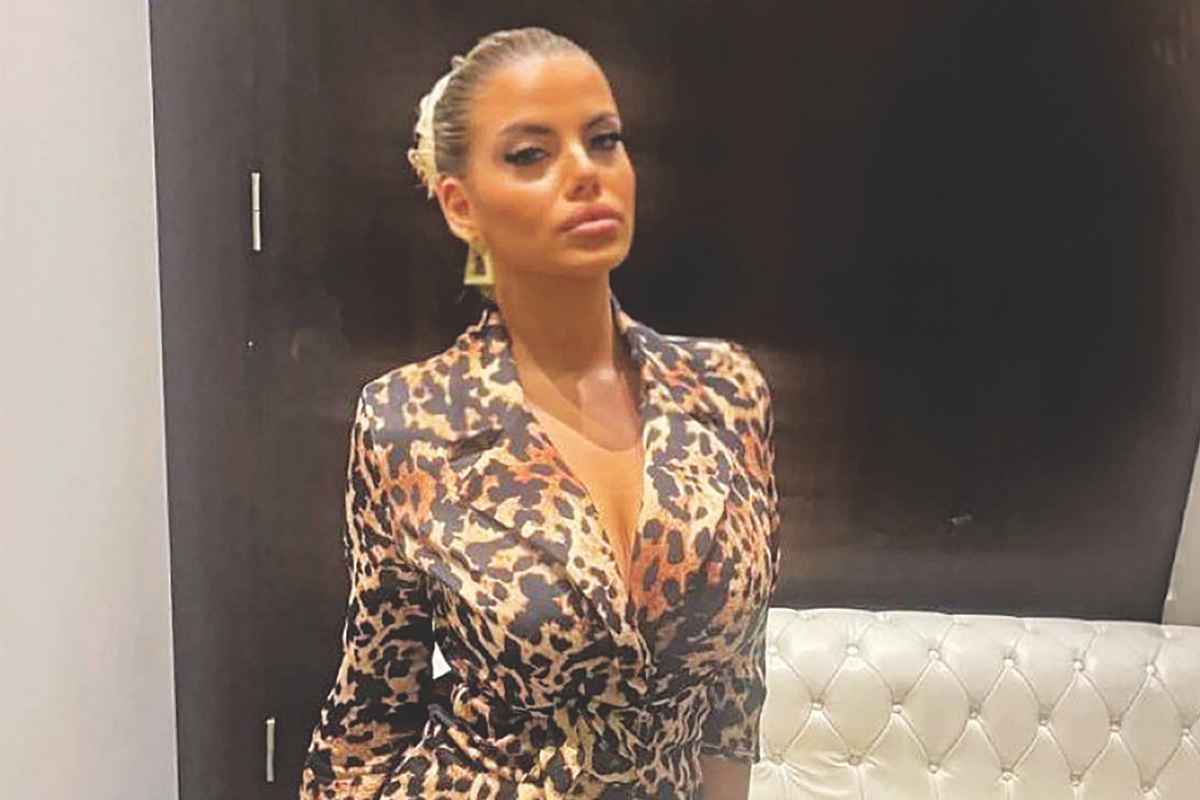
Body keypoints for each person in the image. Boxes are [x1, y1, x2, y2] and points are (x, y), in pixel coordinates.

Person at [299, 26, 782, 800]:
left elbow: (733, 694)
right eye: (531, 154)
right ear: (461, 206)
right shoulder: (409, 422)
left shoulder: (725, 391)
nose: (585, 173)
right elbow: (372, 708)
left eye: (604, 140)